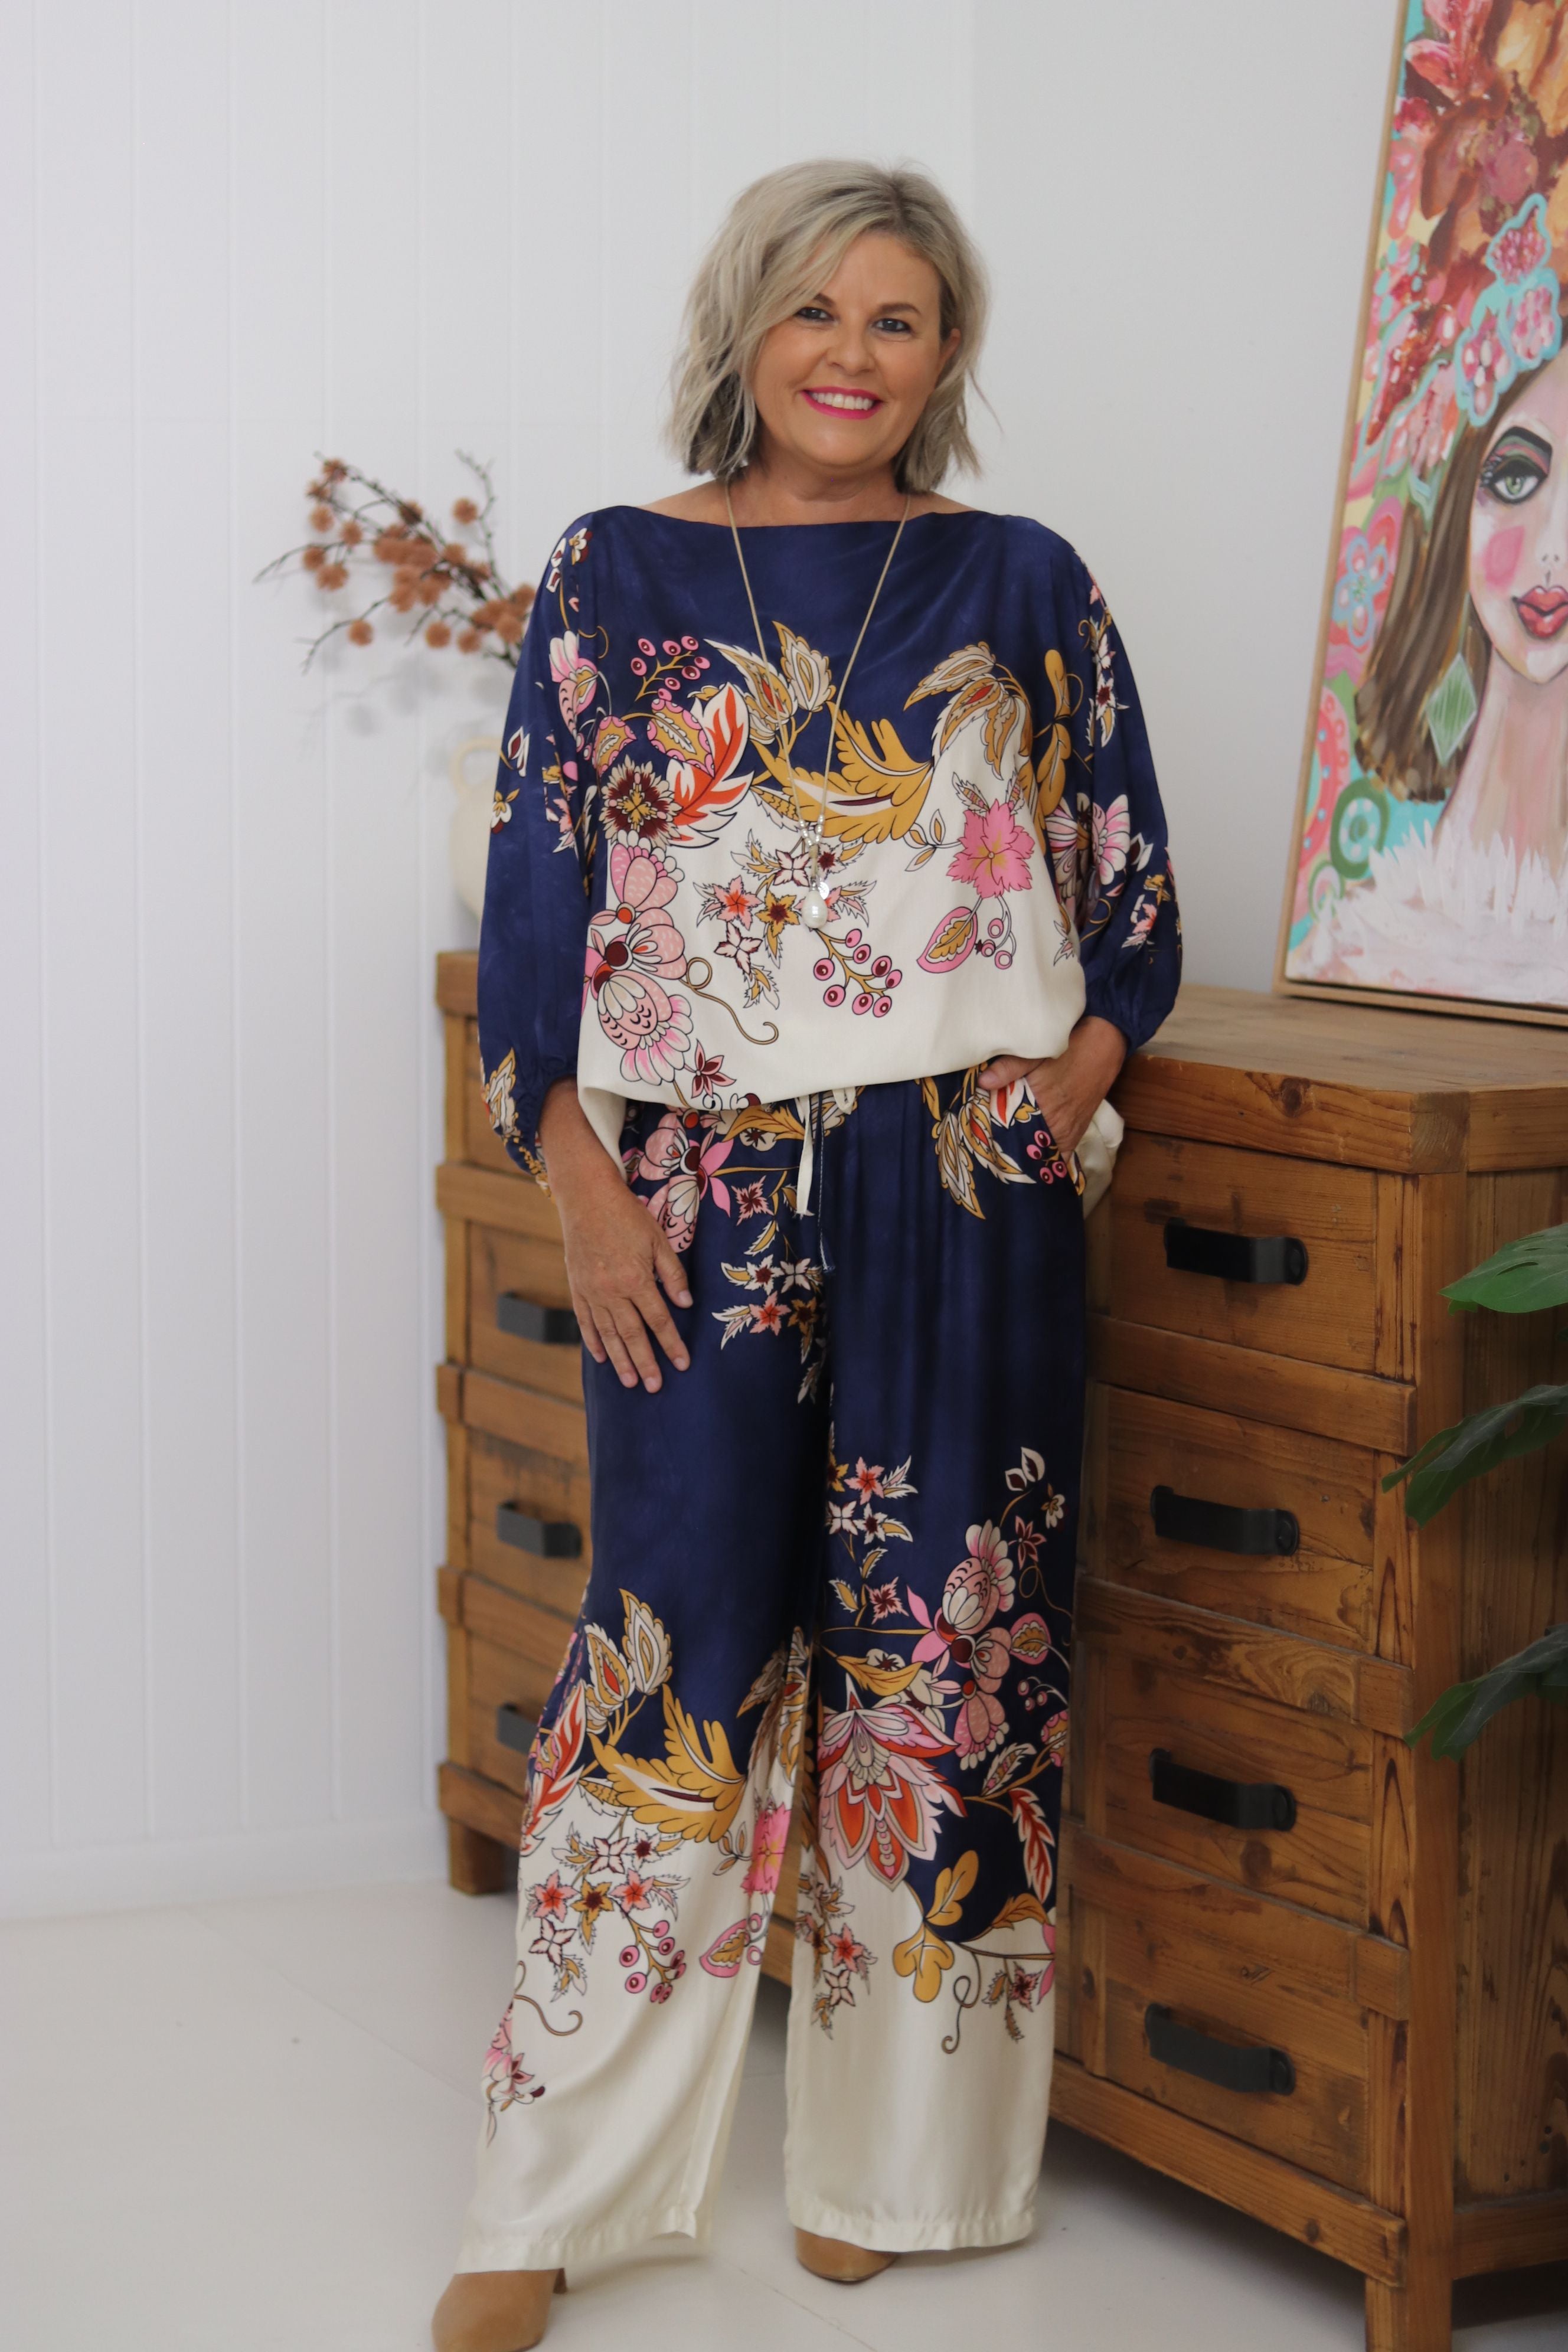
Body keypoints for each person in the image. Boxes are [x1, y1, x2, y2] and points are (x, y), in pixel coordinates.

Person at [433, 156, 1180, 2352]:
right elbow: (539, 914)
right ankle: (548, 2198)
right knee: (665, 1656)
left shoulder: (1025, 577)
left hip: (965, 1191)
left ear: (947, 357)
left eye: (900, 319)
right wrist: (581, 1177)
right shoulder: (618, 570)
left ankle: (897, 2171)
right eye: (816, 311)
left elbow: (1130, 892)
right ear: (745, 326)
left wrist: (1068, 1077)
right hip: (699, 1193)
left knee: (947, 1665)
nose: (854, 355)